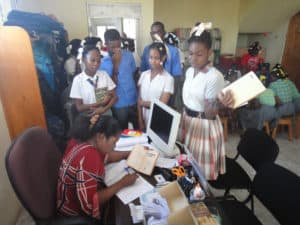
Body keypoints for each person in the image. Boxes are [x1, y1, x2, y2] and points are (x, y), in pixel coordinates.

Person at [178, 22, 234, 180]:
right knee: (187, 163)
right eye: (190, 53)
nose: (193, 58)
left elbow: (210, 114)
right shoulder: (189, 71)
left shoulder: (214, 77)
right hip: (188, 120)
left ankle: (199, 198)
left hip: (203, 125)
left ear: (209, 52)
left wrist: (220, 102)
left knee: (198, 172)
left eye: (199, 54)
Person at [57, 114, 138, 220]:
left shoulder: (86, 140)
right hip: (73, 214)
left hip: (66, 200)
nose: (115, 147)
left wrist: (132, 152)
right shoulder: (89, 155)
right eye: (114, 142)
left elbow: (109, 156)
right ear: (101, 137)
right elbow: (90, 202)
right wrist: (122, 183)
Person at [100, 29, 138, 129]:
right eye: (113, 47)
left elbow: (134, 74)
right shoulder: (102, 64)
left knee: (138, 129)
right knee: (122, 131)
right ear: (106, 44)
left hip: (133, 99)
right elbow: (109, 88)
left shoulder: (129, 55)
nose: (117, 50)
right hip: (118, 104)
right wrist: (115, 65)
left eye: (118, 46)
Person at [141, 21, 182, 109]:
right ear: (150, 34)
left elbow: (177, 76)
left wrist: (171, 97)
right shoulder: (146, 50)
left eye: (158, 32)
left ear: (164, 32)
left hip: (167, 89)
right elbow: (143, 71)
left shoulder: (173, 51)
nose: (156, 35)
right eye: (153, 33)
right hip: (151, 91)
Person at [70, 44, 117, 116]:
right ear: (83, 60)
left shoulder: (103, 75)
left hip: (104, 112)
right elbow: (79, 107)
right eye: (92, 60)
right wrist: (100, 103)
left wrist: (104, 109)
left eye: (99, 61)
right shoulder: (78, 80)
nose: (96, 64)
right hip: (88, 114)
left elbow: (115, 97)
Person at [137, 42, 174, 130]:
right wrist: (140, 120)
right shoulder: (144, 75)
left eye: (156, 58)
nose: (152, 61)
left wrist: (143, 103)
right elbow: (139, 100)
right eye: (151, 57)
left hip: (158, 117)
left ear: (163, 58)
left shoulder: (168, 78)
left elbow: (161, 105)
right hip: (143, 115)